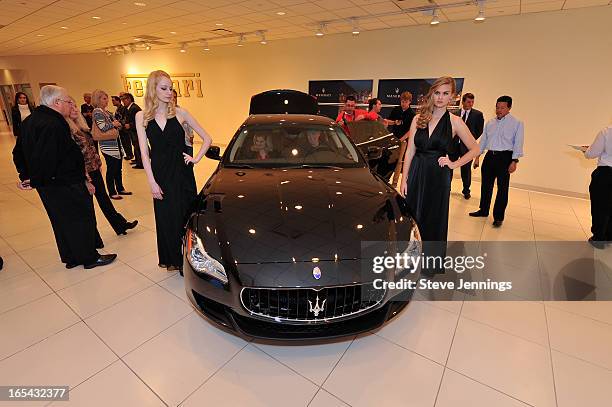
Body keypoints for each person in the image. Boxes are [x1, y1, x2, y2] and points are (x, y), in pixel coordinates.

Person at [12, 85, 116, 269]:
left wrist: (27, 175)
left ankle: (71, 257)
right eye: (68, 101)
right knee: (80, 219)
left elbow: (18, 152)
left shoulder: (30, 121)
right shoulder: (54, 123)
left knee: (60, 222)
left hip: (48, 185)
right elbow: (51, 157)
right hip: (64, 182)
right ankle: (89, 257)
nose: (70, 105)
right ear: (57, 102)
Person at [135, 70, 212, 271]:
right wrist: (151, 182)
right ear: (153, 89)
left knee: (185, 218)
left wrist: (195, 158)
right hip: (160, 175)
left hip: (182, 173)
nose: (169, 92)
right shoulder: (141, 116)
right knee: (166, 219)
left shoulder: (180, 112)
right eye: (164, 88)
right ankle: (173, 260)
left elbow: (207, 138)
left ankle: (190, 261)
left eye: (171, 88)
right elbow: (144, 153)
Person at [400, 77, 479, 272]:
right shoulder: (418, 118)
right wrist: (404, 178)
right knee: (412, 218)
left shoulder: (455, 122)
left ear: (452, 96)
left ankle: (429, 266)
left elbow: (475, 149)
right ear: (431, 94)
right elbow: (410, 150)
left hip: (438, 176)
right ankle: (409, 262)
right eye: (437, 93)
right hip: (417, 171)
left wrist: (454, 164)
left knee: (433, 218)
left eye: (445, 93)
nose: (440, 97)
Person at [67, 96, 138, 236]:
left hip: (93, 168)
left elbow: (89, 147)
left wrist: (96, 159)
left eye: (75, 105)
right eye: (71, 105)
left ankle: (120, 226)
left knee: (104, 200)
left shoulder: (80, 126)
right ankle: (93, 239)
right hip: (83, 174)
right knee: (87, 207)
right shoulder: (68, 129)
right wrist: (85, 177)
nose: (75, 109)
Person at [469, 96, 524, 227]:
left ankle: (498, 217)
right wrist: (477, 157)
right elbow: (483, 142)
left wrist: (514, 161)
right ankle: (483, 210)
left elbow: (518, 143)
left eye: (502, 108)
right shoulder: (490, 123)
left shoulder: (516, 123)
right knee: (486, 186)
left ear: (509, 108)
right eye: (497, 107)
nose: (498, 110)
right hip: (489, 157)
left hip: (505, 158)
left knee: (502, 189)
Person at [92, 89, 131, 200]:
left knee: (118, 168)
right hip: (108, 146)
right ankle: (112, 191)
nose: (107, 101)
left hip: (116, 143)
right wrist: (113, 123)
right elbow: (103, 127)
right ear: (98, 99)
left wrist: (115, 124)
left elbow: (117, 124)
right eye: (104, 98)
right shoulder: (97, 112)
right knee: (112, 169)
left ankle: (120, 188)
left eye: (106, 98)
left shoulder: (106, 112)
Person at [582, 125, 612, 248]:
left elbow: (592, 153)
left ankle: (599, 238)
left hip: (606, 174)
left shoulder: (606, 132)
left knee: (600, 207)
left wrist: (586, 150)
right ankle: (610, 236)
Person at [454, 93, 484, 199]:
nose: (471, 104)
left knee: (466, 170)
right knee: (448, 167)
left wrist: (468, 140)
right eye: (468, 102)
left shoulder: (478, 115)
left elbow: (479, 130)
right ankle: (446, 187)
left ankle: (466, 190)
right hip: (453, 146)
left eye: (472, 102)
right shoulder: (454, 113)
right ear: (463, 102)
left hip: (467, 148)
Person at [122, 93, 143, 168]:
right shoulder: (130, 108)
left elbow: (139, 121)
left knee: (138, 147)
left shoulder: (134, 108)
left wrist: (130, 125)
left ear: (129, 99)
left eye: (124, 99)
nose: (123, 102)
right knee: (136, 146)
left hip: (136, 132)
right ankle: (138, 161)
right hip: (133, 131)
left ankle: (140, 163)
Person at [172, 89, 194, 157]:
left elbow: (190, 125)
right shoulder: (164, 114)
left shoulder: (183, 112)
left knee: (189, 165)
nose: (173, 99)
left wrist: (191, 136)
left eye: (175, 97)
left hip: (186, 144)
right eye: (171, 97)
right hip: (174, 147)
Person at [112, 95, 133, 160]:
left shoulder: (123, 108)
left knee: (127, 142)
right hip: (121, 128)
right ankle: (128, 154)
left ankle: (130, 155)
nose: (112, 102)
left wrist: (120, 124)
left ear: (118, 101)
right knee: (124, 142)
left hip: (124, 128)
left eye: (113, 100)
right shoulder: (118, 109)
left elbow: (124, 118)